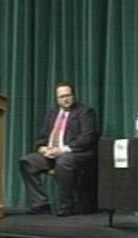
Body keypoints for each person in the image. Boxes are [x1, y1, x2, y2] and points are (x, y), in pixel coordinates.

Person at [19, 82, 99, 216]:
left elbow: (87, 138)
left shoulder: (85, 112)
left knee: (63, 161)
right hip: (51, 154)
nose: (65, 99)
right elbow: (42, 137)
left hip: (76, 154)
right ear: (57, 99)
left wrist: (62, 149)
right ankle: (40, 203)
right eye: (61, 97)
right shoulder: (52, 113)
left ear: (73, 96)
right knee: (27, 162)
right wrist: (42, 148)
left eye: (68, 95)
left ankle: (67, 205)